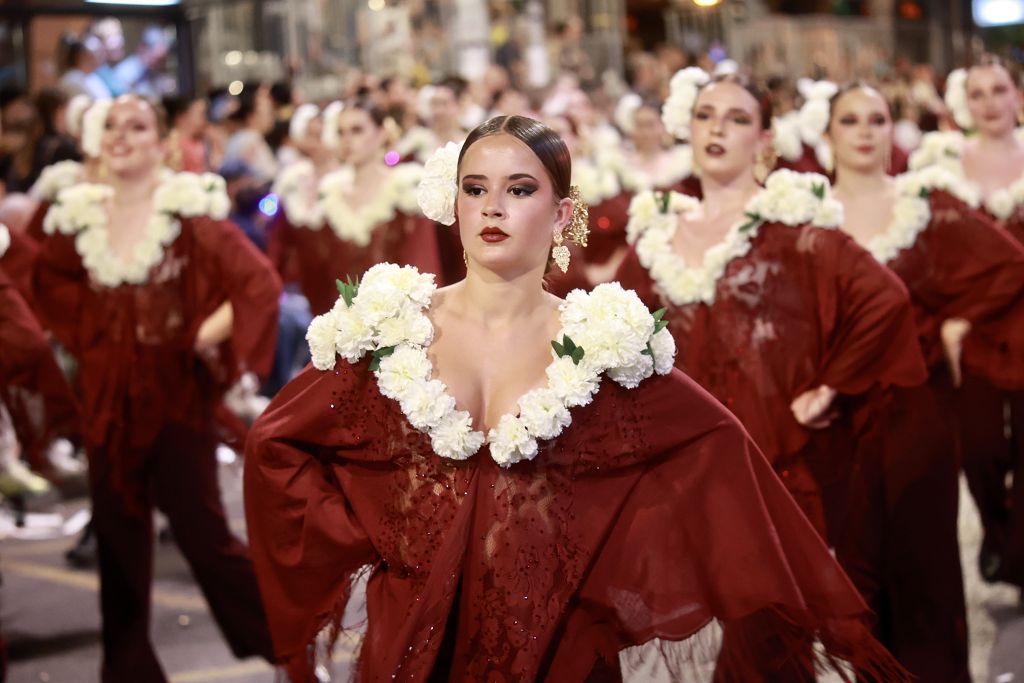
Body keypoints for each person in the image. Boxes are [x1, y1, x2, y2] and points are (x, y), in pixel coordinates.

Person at [244, 114, 908, 681]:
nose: (492, 207)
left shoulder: (600, 344)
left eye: (519, 188)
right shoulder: (390, 329)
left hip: (560, 649)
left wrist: (600, 570)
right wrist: (379, 545)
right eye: (474, 188)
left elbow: (716, 450)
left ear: (562, 213)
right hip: (414, 646)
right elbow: (276, 443)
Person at [615, 74, 925, 592]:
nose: (718, 128)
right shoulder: (659, 232)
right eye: (705, 115)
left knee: (768, 633)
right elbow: (614, 327)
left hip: (773, 461)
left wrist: (830, 385)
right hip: (684, 462)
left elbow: (884, 297)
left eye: (738, 119)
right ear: (686, 129)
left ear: (763, 141)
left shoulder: (790, 224)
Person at [31, 95, 279, 681]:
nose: (121, 136)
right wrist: (99, 338)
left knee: (205, 540)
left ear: (163, 142)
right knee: (117, 547)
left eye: (137, 126)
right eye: (111, 126)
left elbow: (258, 285)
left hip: (176, 408)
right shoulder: (79, 216)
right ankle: (127, 671)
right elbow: (46, 285)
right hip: (105, 406)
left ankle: (285, 644)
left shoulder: (188, 213)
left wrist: (198, 336)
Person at [824, 81, 1024, 682]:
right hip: (836, 422)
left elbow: (1008, 263)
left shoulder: (924, 201)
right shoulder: (801, 212)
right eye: (850, 120)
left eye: (877, 119)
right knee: (856, 573)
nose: (864, 130)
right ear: (826, 133)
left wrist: (956, 320)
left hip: (919, 409)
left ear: (893, 131)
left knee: (927, 565)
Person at [909, 55, 1024, 589]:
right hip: (970, 330)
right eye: (976, 93)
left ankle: (1019, 561)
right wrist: (948, 317)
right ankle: (999, 534)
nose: (989, 103)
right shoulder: (942, 169)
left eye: (998, 90)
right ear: (963, 103)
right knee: (979, 450)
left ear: (1016, 95)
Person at [267, 100, 442, 316]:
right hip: (344, 327)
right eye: (341, 132)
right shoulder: (330, 196)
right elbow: (319, 274)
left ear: (381, 133)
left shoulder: (404, 191)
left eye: (357, 130)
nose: (347, 140)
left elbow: (423, 268)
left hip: (402, 324)